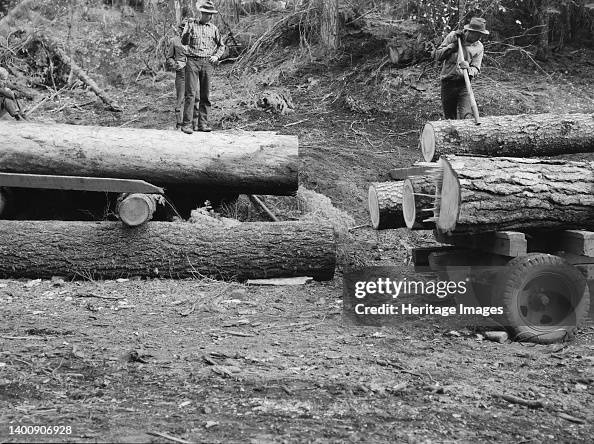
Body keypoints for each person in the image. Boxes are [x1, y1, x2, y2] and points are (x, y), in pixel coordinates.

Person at [179, 0, 225, 134]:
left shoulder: (214, 28)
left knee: (206, 95)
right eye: (207, 14)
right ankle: (187, 125)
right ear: (202, 13)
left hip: (207, 63)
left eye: (211, 14)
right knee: (190, 94)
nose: (210, 17)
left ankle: (203, 124)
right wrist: (187, 30)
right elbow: (184, 42)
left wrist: (216, 56)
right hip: (192, 62)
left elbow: (221, 45)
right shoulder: (192, 25)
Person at [435, 17, 489, 120]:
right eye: (477, 34)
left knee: (467, 116)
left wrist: (468, 69)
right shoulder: (454, 36)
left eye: (481, 35)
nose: (479, 37)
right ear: (469, 31)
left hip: (464, 84)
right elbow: (438, 56)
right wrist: (452, 46)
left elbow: (476, 67)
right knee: (450, 118)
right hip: (448, 82)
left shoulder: (479, 47)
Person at [166, 7, 198, 129]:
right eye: (182, 27)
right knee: (181, 98)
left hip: (194, 73)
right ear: (180, 29)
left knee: (196, 96)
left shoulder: (194, 40)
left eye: (186, 27)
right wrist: (176, 65)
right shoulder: (174, 41)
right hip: (181, 74)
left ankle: (194, 124)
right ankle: (179, 124)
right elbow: (169, 57)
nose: (184, 29)